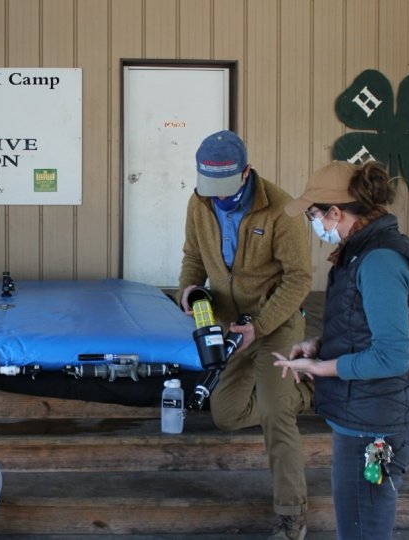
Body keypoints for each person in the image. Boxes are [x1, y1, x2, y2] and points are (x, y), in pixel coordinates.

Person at [273, 160, 409, 539]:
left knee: (362, 531)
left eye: (313, 214)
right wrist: (320, 345)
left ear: (335, 213)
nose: (314, 224)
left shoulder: (379, 259)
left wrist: (321, 367)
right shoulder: (362, 250)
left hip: (374, 428)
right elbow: (363, 325)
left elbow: (392, 356)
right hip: (364, 416)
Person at [177, 130, 313, 540]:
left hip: (274, 323)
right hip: (229, 324)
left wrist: (261, 326)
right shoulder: (199, 202)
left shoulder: (282, 210)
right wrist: (187, 291)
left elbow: (299, 279)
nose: (217, 196)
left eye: (225, 186)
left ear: (246, 172)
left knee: (275, 413)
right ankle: (304, 391)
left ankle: (292, 516)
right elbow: (193, 256)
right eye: (209, 186)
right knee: (226, 414)